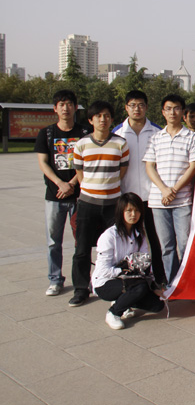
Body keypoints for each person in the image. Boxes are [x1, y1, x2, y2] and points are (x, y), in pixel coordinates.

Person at [70, 101, 130, 307]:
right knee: (82, 247)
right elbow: (80, 173)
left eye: (106, 116)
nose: (102, 120)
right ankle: (81, 289)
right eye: (98, 116)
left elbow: (122, 170)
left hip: (113, 204)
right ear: (90, 120)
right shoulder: (81, 144)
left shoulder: (120, 143)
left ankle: (114, 286)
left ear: (112, 119)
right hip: (87, 203)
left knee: (116, 247)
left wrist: (108, 188)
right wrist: (92, 189)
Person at [34, 89, 90, 296]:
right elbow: (43, 163)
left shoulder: (85, 132)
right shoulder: (46, 133)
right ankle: (55, 279)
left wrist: (72, 183)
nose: (65, 108)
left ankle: (82, 281)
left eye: (69, 104)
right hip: (54, 195)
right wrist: (60, 183)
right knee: (53, 241)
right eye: (61, 104)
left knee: (81, 241)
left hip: (80, 195)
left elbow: (88, 161)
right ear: (55, 109)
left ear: (75, 107)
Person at [144, 94, 195, 285]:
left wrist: (174, 190)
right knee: (166, 246)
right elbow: (149, 166)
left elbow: (194, 165)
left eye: (176, 108)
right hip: (158, 200)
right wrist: (163, 190)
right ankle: (172, 284)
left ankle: (188, 283)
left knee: (185, 244)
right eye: (168, 109)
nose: (172, 112)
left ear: (182, 112)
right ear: (163, 112)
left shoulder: (191, 137)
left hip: (182, 199)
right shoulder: (155, 137)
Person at [112, 90, 166, 285]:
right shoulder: (117, 134)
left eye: (141, 105)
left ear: (146, 107)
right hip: (127, 197)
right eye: (133, 105)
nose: (137, 109)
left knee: (156, 240)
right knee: (128, 241)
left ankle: (160, 278)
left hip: (152, 196)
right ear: (126, 107)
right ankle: (132, 279)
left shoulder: (157, 132)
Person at [92, 193, 165, 330]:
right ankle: (114, 312)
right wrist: (124, 270)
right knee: (139, 287)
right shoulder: (109, 236)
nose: (133, 214)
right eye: (129, 210)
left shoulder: (140, 234)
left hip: (130, 280)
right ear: (121, 212)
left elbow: (144, 264)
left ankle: (123, 301)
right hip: (106, 282)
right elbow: (103, 270)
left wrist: (153, 286)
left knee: (157, 305)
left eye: (137, 210)